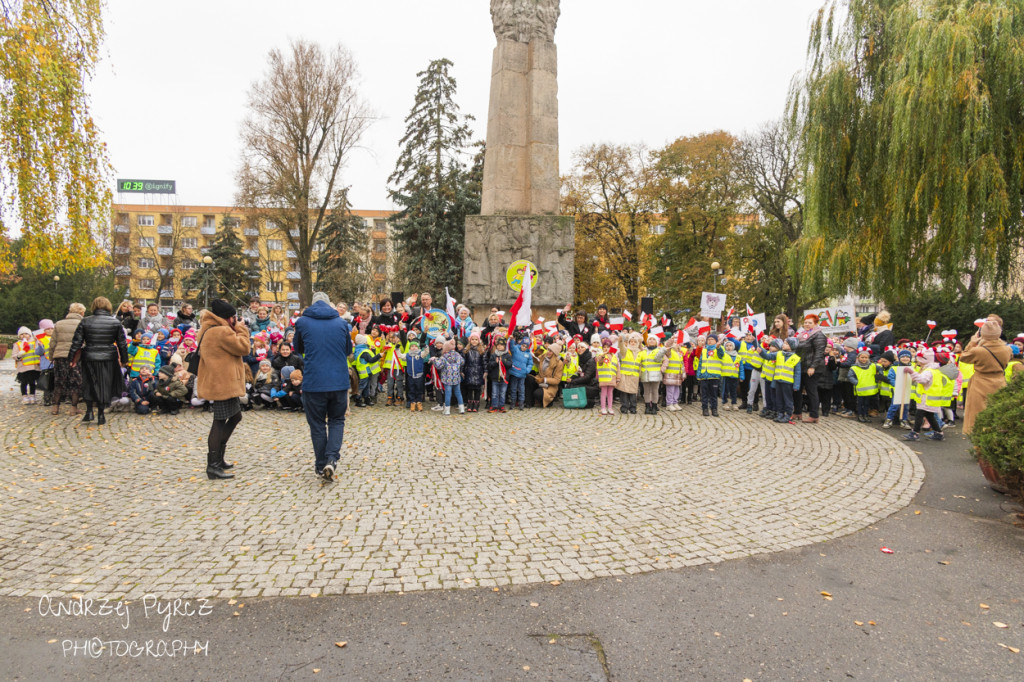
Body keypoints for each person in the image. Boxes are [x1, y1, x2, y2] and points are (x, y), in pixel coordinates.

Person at [293, 292, 353, 482]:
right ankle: (332, 460)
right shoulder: (342, 323)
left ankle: (321, 465)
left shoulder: (302, 322)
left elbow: (298, 348)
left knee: (317, 424)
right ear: (330, 305)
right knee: (337, 420)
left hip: (314, 381)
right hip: (338, 381)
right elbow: (348, 350)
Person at [196, 299, 251, 480]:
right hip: (222, 383)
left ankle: (219, 458)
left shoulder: (209, 328)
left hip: (221, 381)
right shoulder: (221, 331)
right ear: (227, 318)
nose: (235, 320)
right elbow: (243, 348)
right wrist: (242, 329)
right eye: (234, 317)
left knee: (235, 416)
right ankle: (213, 465)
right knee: (219, 421)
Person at [68, 297, 129, 425]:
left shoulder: (85, 321)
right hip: (108, 357)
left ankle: (89, 411)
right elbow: (122, 343)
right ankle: (101, 414)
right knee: (104, 385)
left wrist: (71, 358)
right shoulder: (115, 323)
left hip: (89, 356)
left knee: (89, 383)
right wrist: (124, 360)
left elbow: (76, 342)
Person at [960, 319, 1012, 435]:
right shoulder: (1007, 349)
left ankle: (978, 440)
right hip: (999, 381)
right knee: (997, 412)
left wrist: (973, 342)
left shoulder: (978, 351)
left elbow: (963, 357)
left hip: (980, 382)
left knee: (977, 413)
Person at [901, 347, 947, 441]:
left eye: (920, 361)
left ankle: (915, 433)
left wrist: (911, 372)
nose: (918, 362)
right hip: (930, 398)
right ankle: (938, 432)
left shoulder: (928, 371)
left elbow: (922, 380)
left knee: (919, 415)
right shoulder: (934, 370)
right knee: (929, 416)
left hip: (926, 398)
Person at [48, 303, 85, 415]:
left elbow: (53, 342)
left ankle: (55, 407)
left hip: (60, 356)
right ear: (81, 312)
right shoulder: (82, 323)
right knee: (76, 383)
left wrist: (51, 356)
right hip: (75, 357)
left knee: (59, 382)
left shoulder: (59, 324)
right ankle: (73, 408)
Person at [793, 313, 827, 423]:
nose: (807, 324)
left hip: (813, 367)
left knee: (811, 390)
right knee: (797, 389)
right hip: (801, 366)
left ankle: (814, 415)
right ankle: (797, 412)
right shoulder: (802, 334)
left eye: (810, 323)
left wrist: (813, 366)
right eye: (806, 322)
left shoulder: (819, 335)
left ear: (815, 323)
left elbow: (819, 352)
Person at [695, 333, 725, 417]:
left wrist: (718, 347)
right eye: (708, 339)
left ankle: (714, 409)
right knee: (704, 394)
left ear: (716, 341)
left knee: (713, 394)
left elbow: (721, 354)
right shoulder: (704, 350)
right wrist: (699, 374)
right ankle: (705, 409)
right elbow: (700, 363)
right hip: (704, 376)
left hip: (714, 376)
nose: (710, 341)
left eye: (712, 339)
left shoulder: (719, 348)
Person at [638, 334, 668, 415]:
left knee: (655, 391)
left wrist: (662, 369)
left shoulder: (659, 351)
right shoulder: (643, 352)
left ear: (656, 342)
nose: (651, 340)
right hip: (645, 374)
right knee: (646, 391)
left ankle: (654, 406)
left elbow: (665, 360)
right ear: (647, 342)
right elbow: (638, 361)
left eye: (653, 339)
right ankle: (647, 406)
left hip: (656, 374)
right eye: (650, 339)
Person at [532, 341, 565, 408]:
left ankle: (549, 401)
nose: (548, 352)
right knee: (529, 380)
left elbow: (557, 380)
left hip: (549, 386)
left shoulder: (559, 363)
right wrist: (536, 354)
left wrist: (544, 380)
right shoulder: (543, 356)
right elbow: (535, 361)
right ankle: (529, 403)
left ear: (555, 353)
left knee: (538, 393)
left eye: (551, 351)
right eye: (548, 350)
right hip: (539, 379)